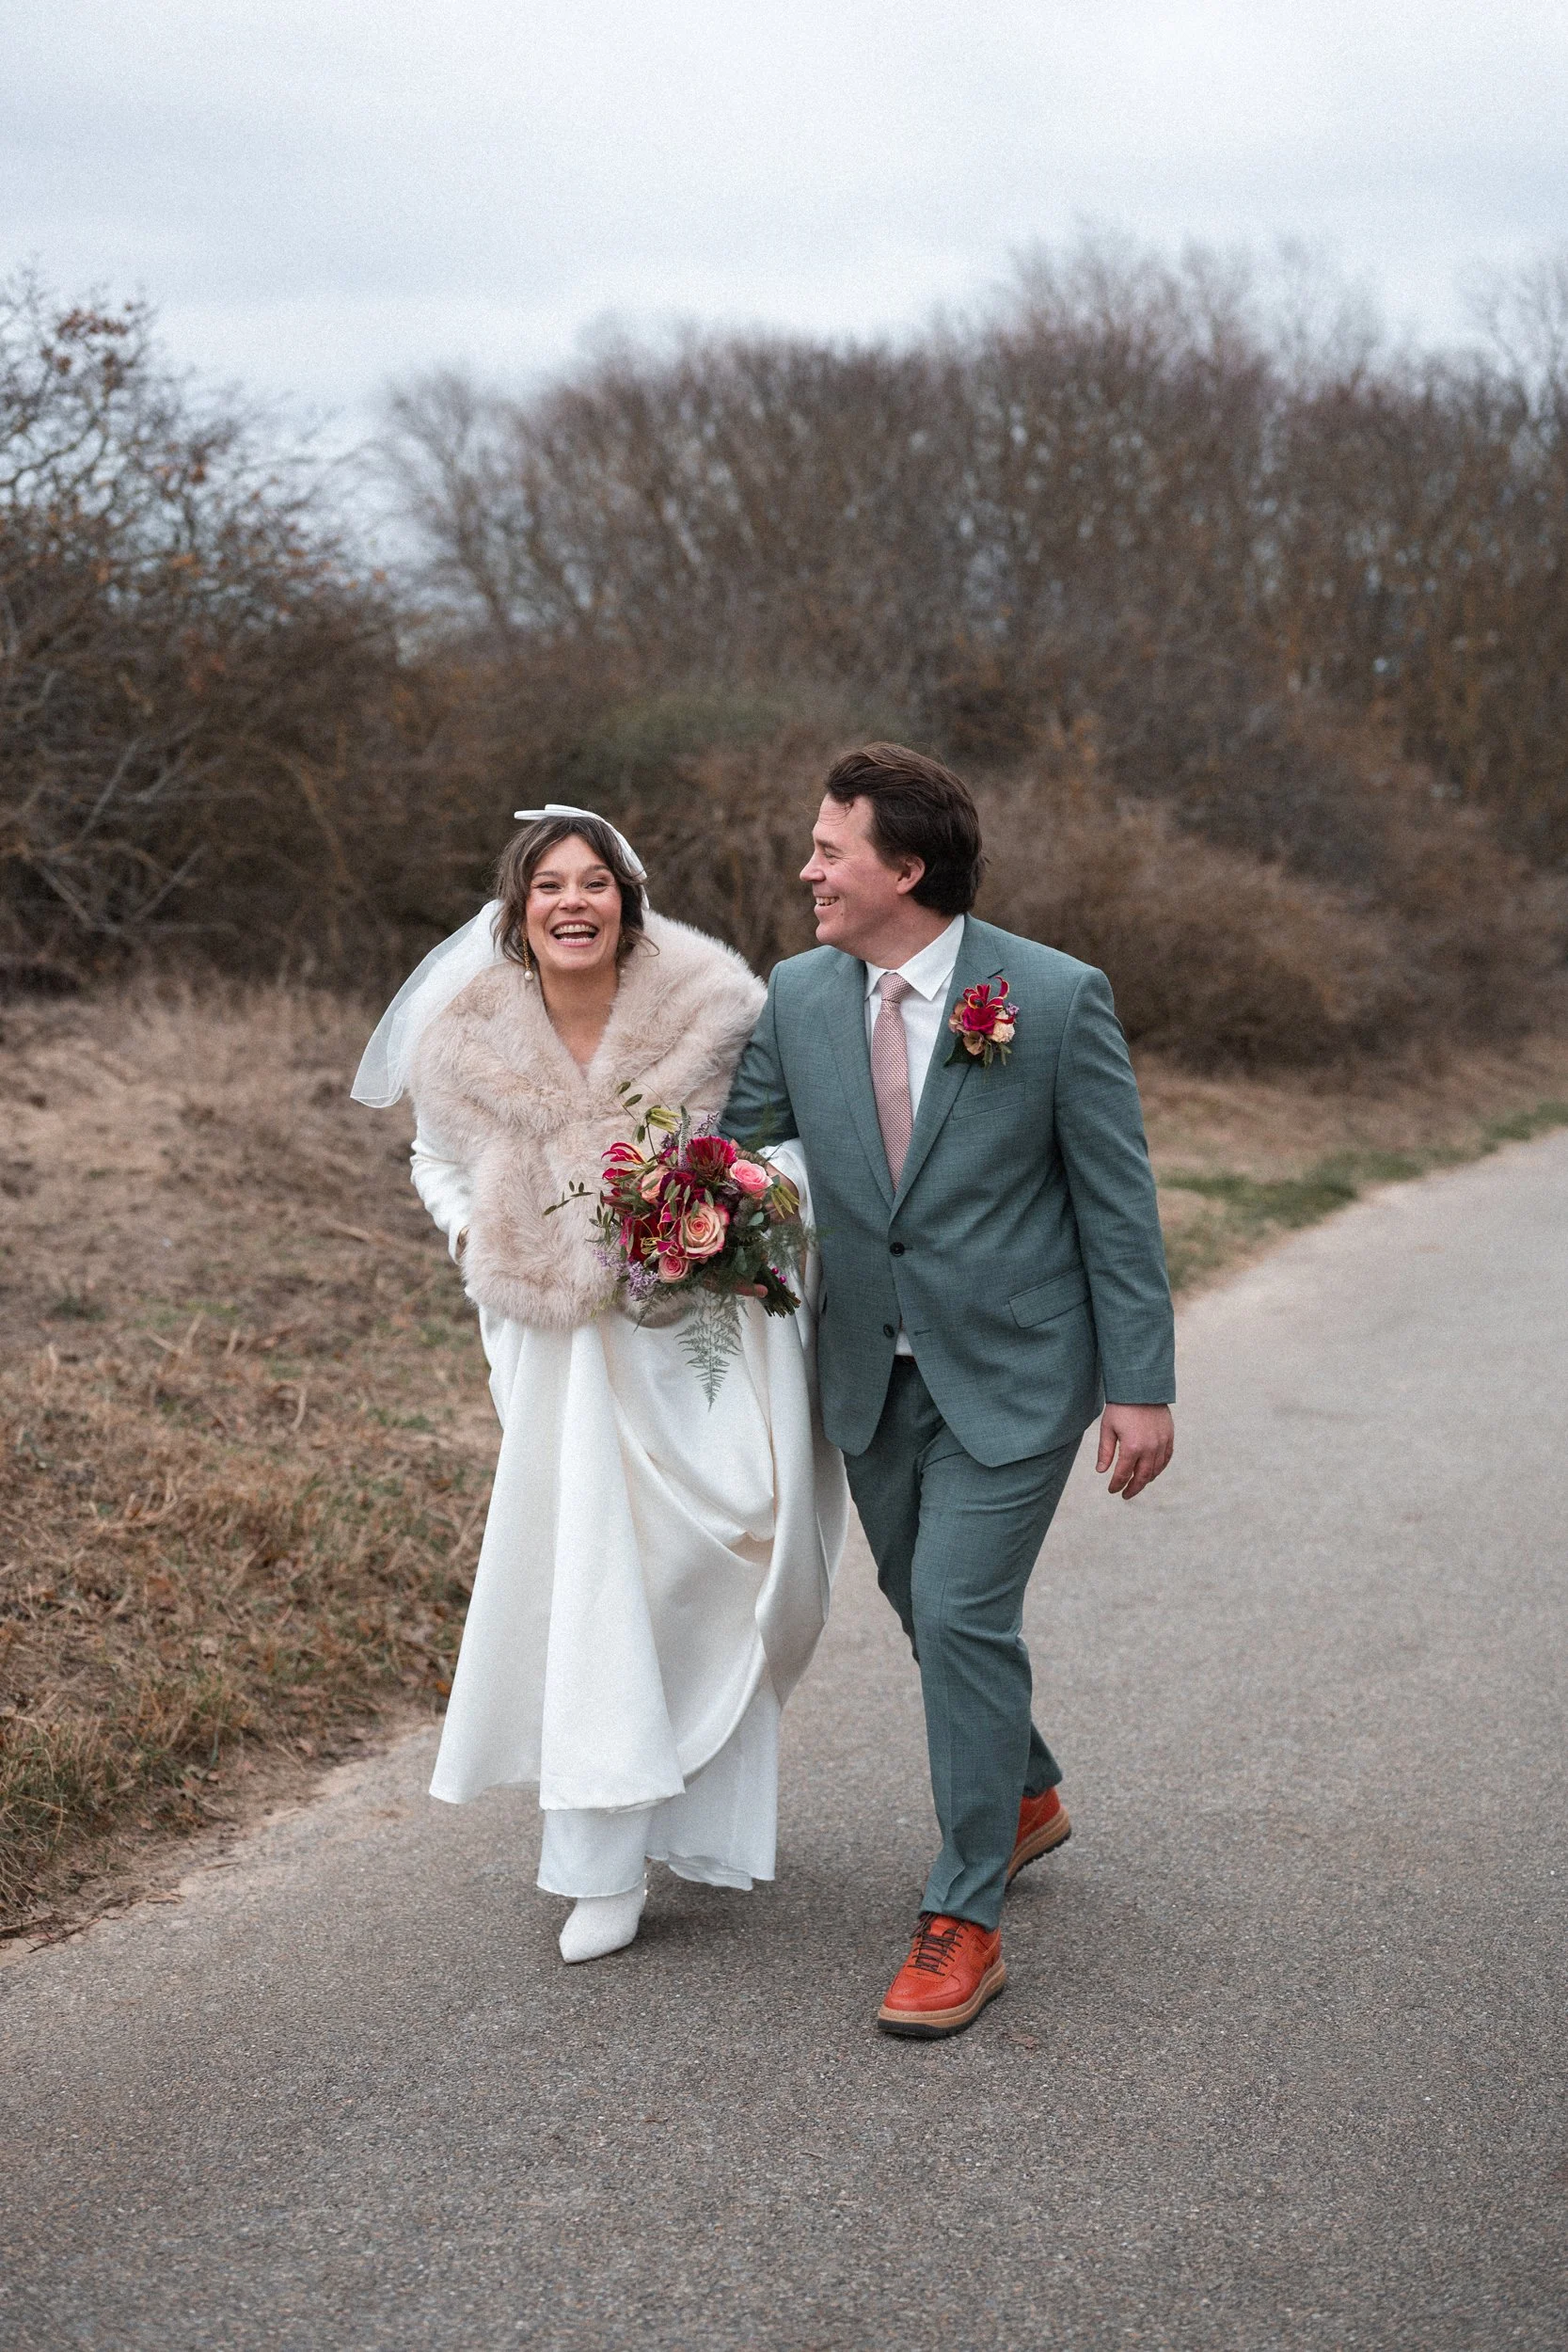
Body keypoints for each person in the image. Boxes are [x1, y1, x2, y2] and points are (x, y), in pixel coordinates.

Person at [722, 744, 1175, 2037]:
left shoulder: (1051, 994)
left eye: (828, 849)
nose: (805, 869)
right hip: (865, 1371)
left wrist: (1136, 1384)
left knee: (960, 1616)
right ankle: (1024, 1792)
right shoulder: (798, 995)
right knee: (921, 1604)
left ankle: (963, 1916)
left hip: (1019, 1366)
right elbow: (747, 1159)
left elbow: (1115, 1202)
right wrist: (660, 1204)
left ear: (903, 869)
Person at [353, 806, 847, 1963]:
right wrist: (479, 1237)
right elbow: (433, 1159)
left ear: (627, 896)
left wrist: (727, 1208)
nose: (572, 903)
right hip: (554, 1341)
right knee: (592, 1578)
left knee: (713, 1555)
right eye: (547, 887)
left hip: (692, 1331)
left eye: (593, 883)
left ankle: (700, 1818)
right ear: (517, 909)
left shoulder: (714, 1010)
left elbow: (783, 1146)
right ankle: (598, 1862)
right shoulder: (464, 1028)